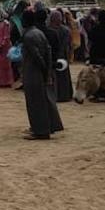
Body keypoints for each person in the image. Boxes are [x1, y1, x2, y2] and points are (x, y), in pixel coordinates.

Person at [20, 9, 63, 140]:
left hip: (33, 72)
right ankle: (48, 126)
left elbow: (37, 56)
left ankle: (40, 131)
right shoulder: (39, 33)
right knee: (44, 101)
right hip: (41, 71)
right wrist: (48, 71)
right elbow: (48, 51)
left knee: (35, 103)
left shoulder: (28, 36)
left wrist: (44, 70)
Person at [48, 10, 74, 102]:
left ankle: (55, 95)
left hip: (53, 56)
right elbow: (69, 44)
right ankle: (65, 95)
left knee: (54, 76)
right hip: (63, 56)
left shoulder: (49, 30)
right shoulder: (66, 30)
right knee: (64, 77)